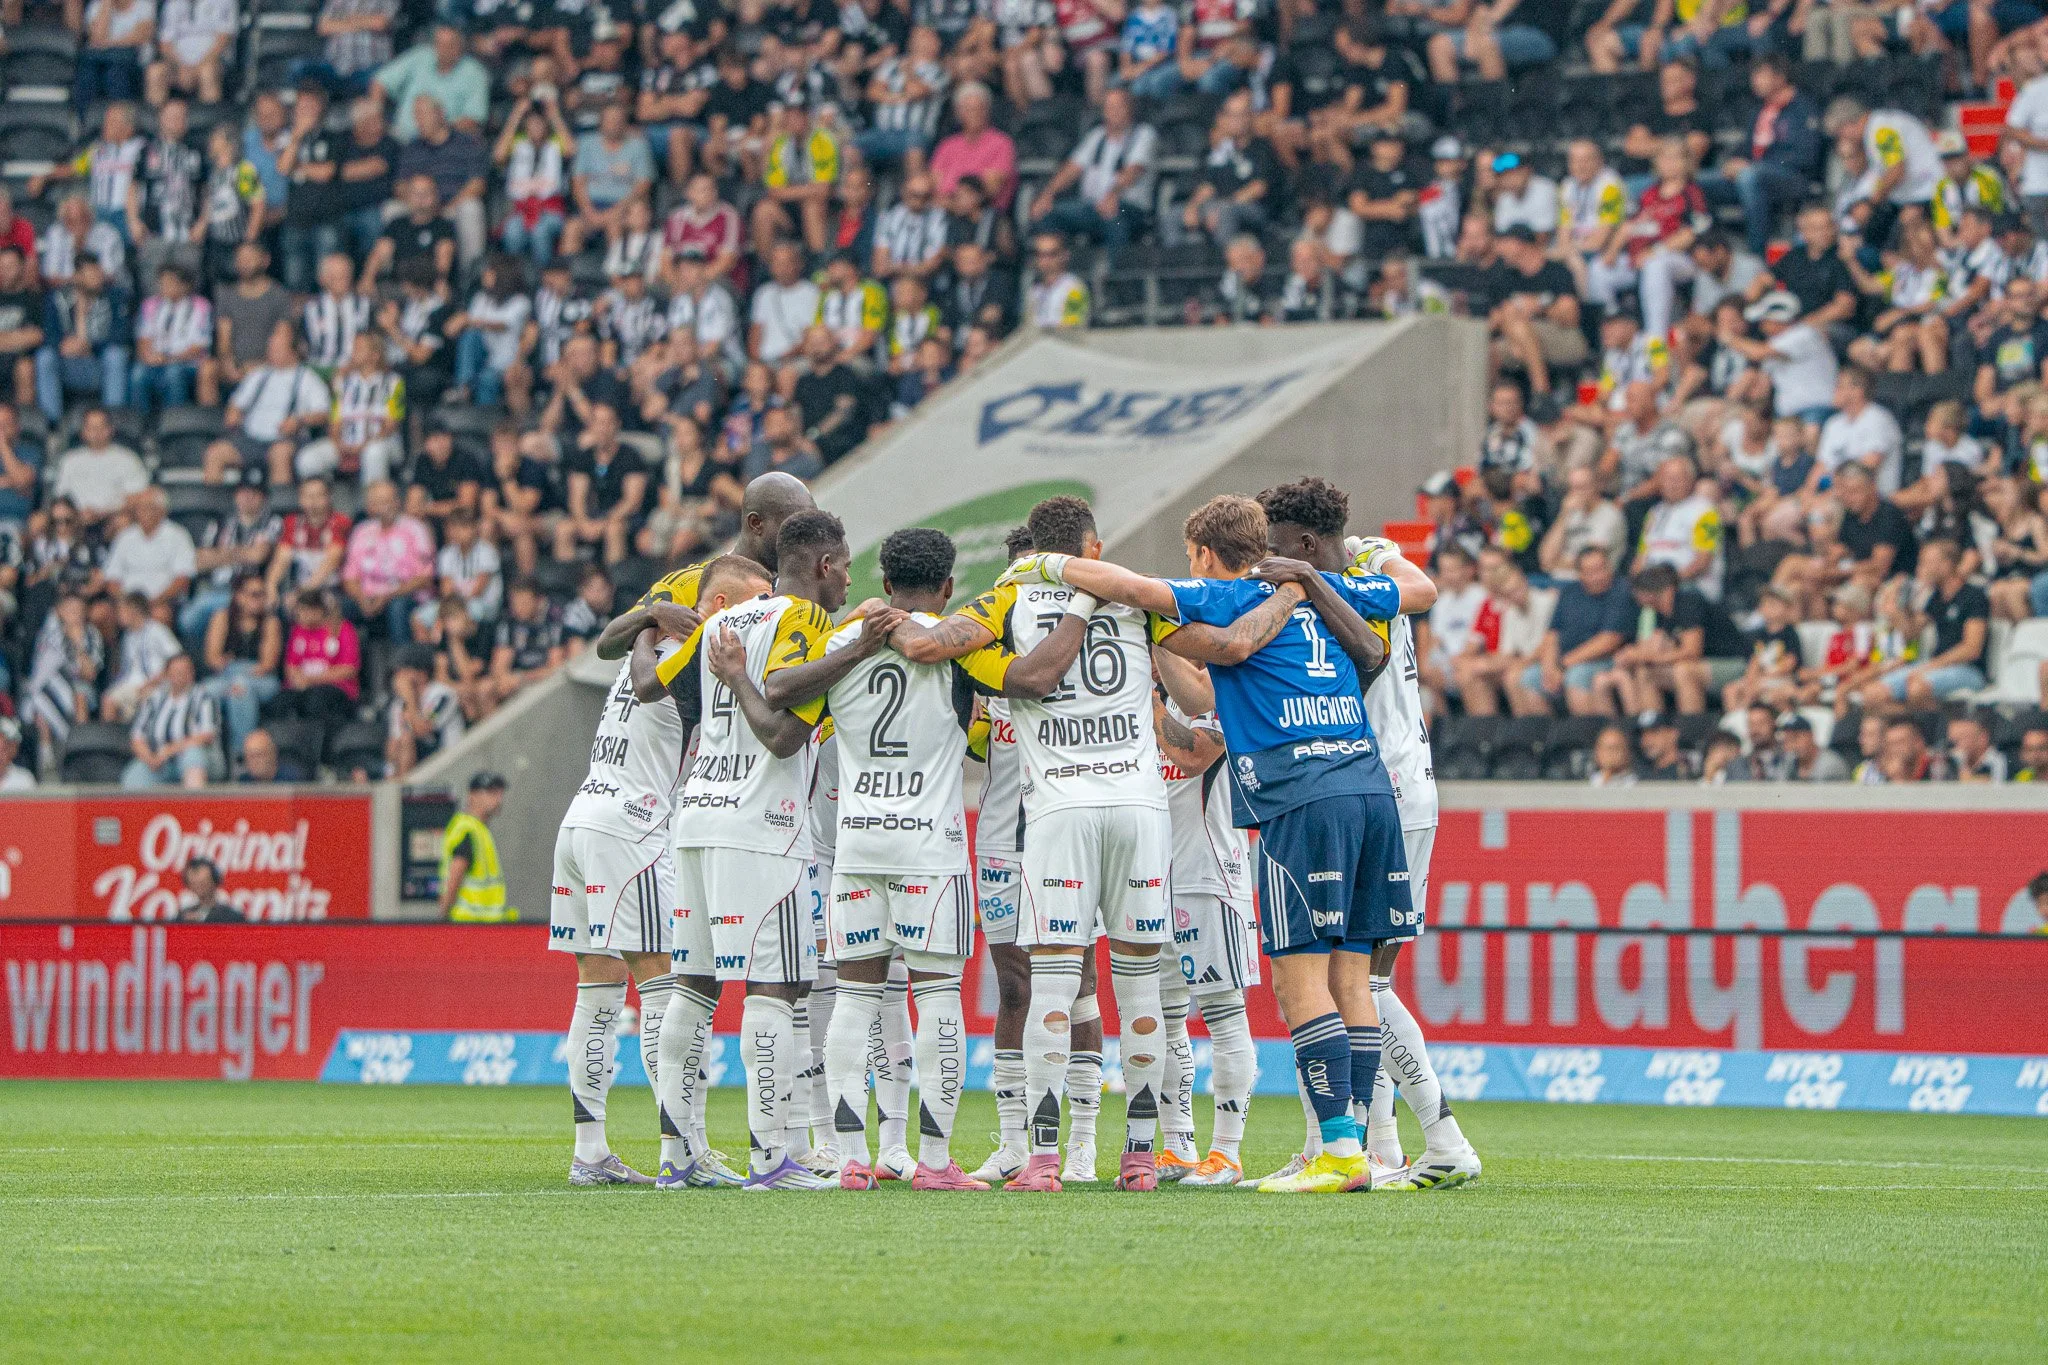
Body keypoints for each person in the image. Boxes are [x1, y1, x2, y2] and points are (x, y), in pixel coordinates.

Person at [991, 483, 1416, 1194]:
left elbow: (1131, 588)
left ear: (1201, 555)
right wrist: (1318, 579)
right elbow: (1409, 601)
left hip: (1300, 796)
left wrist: (1044, 568)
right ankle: (1361, 1148)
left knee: (1296, 980)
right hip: (1371, 788)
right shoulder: (1332, 590)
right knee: (1354, 978)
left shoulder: (1228, 596)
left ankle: (1336, 1147)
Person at [763, 528, 1079, 1190]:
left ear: (883, 583)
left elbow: (788, 703)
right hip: (930, 848)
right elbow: (1028, 682)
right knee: (937, 999)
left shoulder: (842, 642)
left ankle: (852, 1157)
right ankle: (933, 1161)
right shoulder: (959, 645)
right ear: (947, 586)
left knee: (854, 998)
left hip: (856, 843)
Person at [202, 569, 283, 754]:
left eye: (262, 594)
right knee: (204, 692)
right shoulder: (222, 618)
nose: (259, 599)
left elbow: (267, 664)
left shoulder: (270, 622)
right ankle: (210, 753)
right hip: (227, 677)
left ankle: (241, 754)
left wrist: (235, 670)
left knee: (241, 690)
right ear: (239, 596)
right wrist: (231, 671)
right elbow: (212, 658)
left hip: (262, 681)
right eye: (254, 594)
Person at [122, 651, 221, 788]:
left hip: (200, 760)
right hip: (160, 761)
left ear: (192, 673)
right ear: (167, 675)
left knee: (193, 755)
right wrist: (150, 758)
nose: (180, 676)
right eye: (176, 672)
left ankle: (194, 807)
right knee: (134, 777)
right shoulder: (154, 699)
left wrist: (169, 751)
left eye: (184, 671)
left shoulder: (203, 697)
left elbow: (206, 736)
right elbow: (137, 736)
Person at [439, 770, 512, 921]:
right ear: (473, 795)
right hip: (468, 925)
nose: (498, 799)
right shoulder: (467, 829)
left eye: (500, 793)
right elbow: (456, 873)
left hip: (482, 926)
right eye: (491, 792)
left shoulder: (479, 830)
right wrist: (443, 918)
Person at [176, 858, 246, 922]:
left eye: (203, 883)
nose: (199, 888)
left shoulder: (232, 916)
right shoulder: (184, 916)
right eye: (193, 884)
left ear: (215, 881)